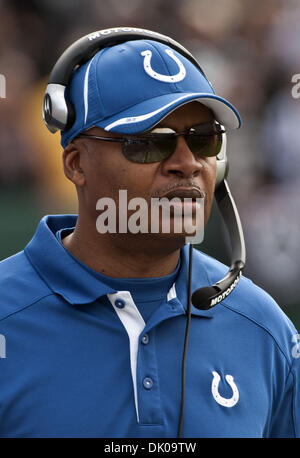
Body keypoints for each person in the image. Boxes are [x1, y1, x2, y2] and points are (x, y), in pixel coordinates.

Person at [0, 27, 299, 439]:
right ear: (76, 164)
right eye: (148, 143)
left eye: (204, 140)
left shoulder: (265, 329)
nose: (187, 163)